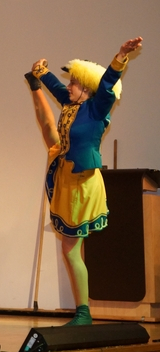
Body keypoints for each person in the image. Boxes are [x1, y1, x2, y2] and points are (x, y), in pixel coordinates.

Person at [30, 37, 142, 326]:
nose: (68, 87)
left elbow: (108, 84)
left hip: (83, 182)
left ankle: (83, 313)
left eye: (74, 83)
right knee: (70, 249)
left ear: (87, 89)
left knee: (70, 249)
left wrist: (120, 56)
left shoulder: (96, 108)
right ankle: (83, 312)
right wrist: (41, 72)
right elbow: (56, 87)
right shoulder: (71, 104)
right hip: (68, 178)